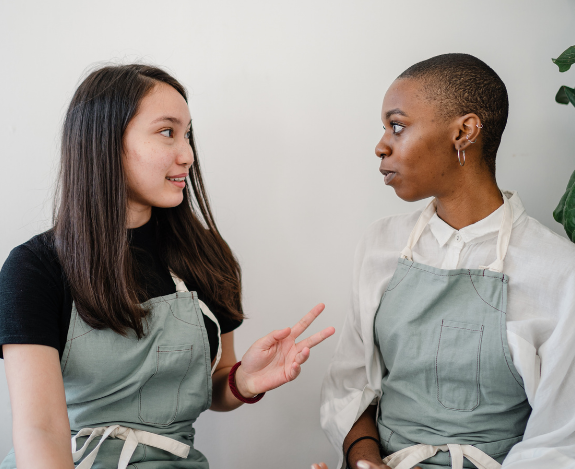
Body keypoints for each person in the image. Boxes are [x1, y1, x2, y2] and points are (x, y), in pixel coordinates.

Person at [0, 64, 335, 469]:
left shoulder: (206, 256)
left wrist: (242, 381)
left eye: (188, 134)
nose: (187, 154)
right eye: (167, 132)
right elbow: (40, 430)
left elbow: (213, 385)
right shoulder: (34, 269)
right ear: (104, 142)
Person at [314, 53, 575, 469]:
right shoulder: (380, 244)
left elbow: (561, 439)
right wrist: (365, 461)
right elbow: (350, 388)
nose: (381, 145)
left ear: (464, 132)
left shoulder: (560, 271)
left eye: (397, 126)